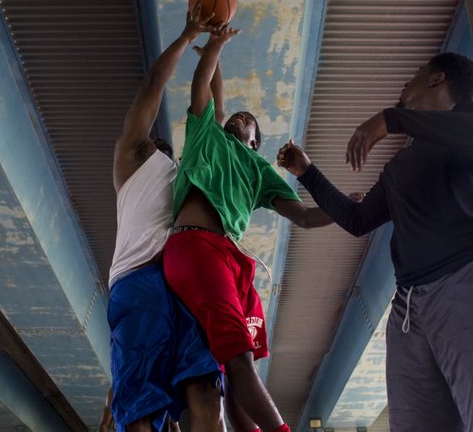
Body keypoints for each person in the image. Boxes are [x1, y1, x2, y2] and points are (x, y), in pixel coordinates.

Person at [277, 52, 473, 432]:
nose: (405, 84)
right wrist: (307, 173)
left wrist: (392, 118)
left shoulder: (463, 129)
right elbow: (357, 220)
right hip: (408, 311)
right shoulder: (401, 165)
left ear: (437, 79)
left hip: (461, 283)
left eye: (415, 73)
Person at [162, 25, 333, 432]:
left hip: (232, 261)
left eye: (250, 120)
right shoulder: (207, 134)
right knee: (238, 358)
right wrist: (217, 45)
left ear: (255, 142)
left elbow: (306, 217)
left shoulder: (259, 170)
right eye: (237, 114)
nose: (242, 116)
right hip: (195, 247)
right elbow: (204, 83)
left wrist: (347, 209)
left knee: (236, 368)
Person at [107, 7, 224, 432]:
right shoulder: (131, 157)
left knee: (207, 394)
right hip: (138, 278)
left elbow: (213, 117)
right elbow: (153, 84)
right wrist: (187, 34)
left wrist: (214, 53)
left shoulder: (186, 178)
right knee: (142, 409)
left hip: (187, 279)